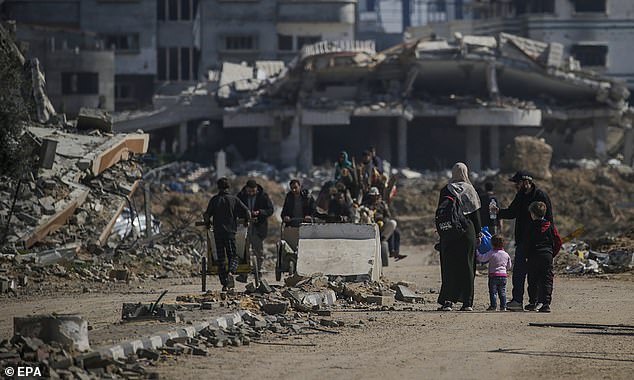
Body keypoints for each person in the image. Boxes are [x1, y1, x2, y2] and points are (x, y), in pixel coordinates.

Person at [490, 171, 553, 311]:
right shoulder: (520, 195)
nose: (515, 186)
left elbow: (549, 220)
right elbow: (512, 212)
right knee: (518, 271)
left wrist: (549, 241)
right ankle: (517, 300)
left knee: (535, 274)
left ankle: (537, 302)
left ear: (526, 182)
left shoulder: (540, 196)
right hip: (523, 240)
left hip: (537, 243)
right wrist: (498, 212)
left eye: (517, 183)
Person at [436, 162, 481, 312]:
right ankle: (467, 303)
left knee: (449, 266)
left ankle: (448, 301)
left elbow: (441, 212)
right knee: (467, 266)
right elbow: (475, 214)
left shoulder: (446, 190)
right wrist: (478, 233)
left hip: (449, 233)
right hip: (467, 232)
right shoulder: (470, 190)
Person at [203, 177, 250, 291]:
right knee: (233, 256)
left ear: (218, 187)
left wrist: (208, 224)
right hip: (230, 233)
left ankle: (224, 283)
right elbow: (247, 212)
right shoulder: (234, 199)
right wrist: (246, 221)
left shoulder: (214, 200)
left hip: (218, 233)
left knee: (221, 259)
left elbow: (206, 215)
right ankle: (231, 272)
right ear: (229, 187)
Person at [525, 201, 562, 313]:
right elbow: (558, 241)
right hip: (546, 255)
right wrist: (552, 253)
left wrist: (526, 255)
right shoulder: (550, 226)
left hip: (534, 256)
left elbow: (527, 243)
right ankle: (545, 304)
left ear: (533, 214)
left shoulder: (530, 226)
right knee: (546, 279)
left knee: (533, 279)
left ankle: (533, 302)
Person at [237, 179, 274, 277]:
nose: (251, 193)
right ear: (246, 189)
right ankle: (244, 273)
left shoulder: (263, 196)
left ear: (256, 189)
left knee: (258, 250)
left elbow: (270, 210)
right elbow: (236, 209)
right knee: (244, 250)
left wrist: (260, 212)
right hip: (244, 227)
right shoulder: (241, 196)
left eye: (253, 191)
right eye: (249, 191)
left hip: (258, 228)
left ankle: (258, 270)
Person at [364, 187, 406, 260]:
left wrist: (383, 221)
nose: (374, 198)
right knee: (392, 232)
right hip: (371, 225)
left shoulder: (382, 204)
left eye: (375, 196)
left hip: (382, 224)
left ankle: (395, 251)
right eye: (372, 196)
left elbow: (387, 215)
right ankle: (391, 250)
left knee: (396, 232)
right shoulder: (366, 204)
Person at [476, 235, 512, 311]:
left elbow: (482, 258)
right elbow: (509, 266)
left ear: (492, 244)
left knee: (493, 292)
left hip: (493, 276)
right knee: (502, 292)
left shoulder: (491, 253)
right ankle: (503, 306)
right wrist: (505, 270)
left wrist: (477, 252)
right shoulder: (506, 254)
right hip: (503, 276)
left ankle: (493, 306)